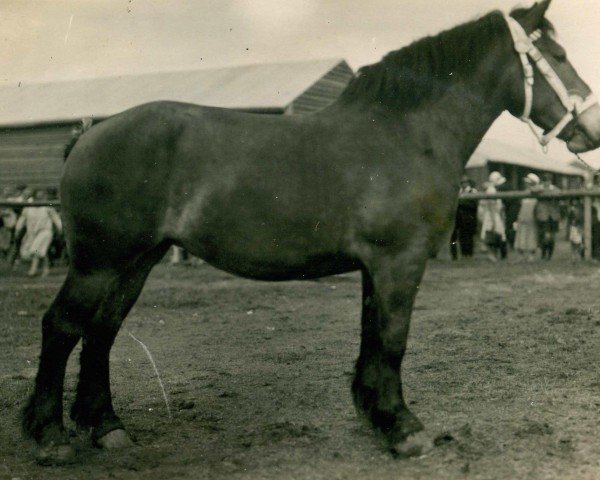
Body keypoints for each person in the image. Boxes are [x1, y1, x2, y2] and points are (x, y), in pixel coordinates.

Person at [14, 189, 62, 276]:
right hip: (32, 233)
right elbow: (22, 219)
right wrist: (18, 229)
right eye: (38, 197)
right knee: (39, 251)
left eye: (42, 196)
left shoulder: (48, 206)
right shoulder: (28, 207)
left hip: (45, 231)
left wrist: (60, 228)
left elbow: (55, 218)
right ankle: (46, 269)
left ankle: (32, 271)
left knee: (35, 249)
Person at [479, 171, 507, 262]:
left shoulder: (492, 189)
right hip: (492, 215)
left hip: (495, 213)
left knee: (497, 234)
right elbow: (491, 206)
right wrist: (494, 220)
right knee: (492, 233)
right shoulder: (491, 190)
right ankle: (491, 254)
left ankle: (494, 254)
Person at [513, 173, 540, 261]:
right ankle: (521, 254)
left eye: (529, 183)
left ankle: (531, 255)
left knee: (531, 235)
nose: (526, 184)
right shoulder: (524, 192)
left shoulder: (536, 192)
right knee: (521, 234)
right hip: (522, 216)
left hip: (531, 216)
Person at [450, 176, 478, 260]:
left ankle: (469, 254)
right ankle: (462, 254)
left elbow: (474, 204)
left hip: (470, 217)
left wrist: (461, 202)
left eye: (465, 182)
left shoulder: (473, 191)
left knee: (469, 236)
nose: (463, 184)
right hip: (459, 218)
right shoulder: (459, 192)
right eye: (462, 183)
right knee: (461, 236)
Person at [534, 174, 560, 260]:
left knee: (552, 237)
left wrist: (547, 191)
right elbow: (532, 190)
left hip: (553, 216)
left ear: (550, 181)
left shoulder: (555, 189)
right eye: (545, 181)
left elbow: (558, 192)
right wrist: (542, 189)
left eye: (548, 181)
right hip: (543, 215)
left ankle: (549, 255)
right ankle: (543, 254)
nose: (546, 183)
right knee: (545, 236)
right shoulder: (539, 188)